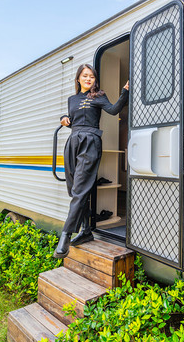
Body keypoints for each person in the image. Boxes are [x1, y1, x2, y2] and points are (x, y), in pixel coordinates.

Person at [53, 64, 129, 258]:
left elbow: (113, 110)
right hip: (73, 143)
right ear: (78, 79)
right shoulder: (72, 99)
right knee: (74, 190)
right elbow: (72, 119)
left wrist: (125, 92)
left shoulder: (99, 96)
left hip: (90, 142)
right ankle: (86, 230)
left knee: (79, 190)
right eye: (85, 76)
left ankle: (66, 235)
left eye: (92, 77)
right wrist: (63, 117)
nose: (88, 79)